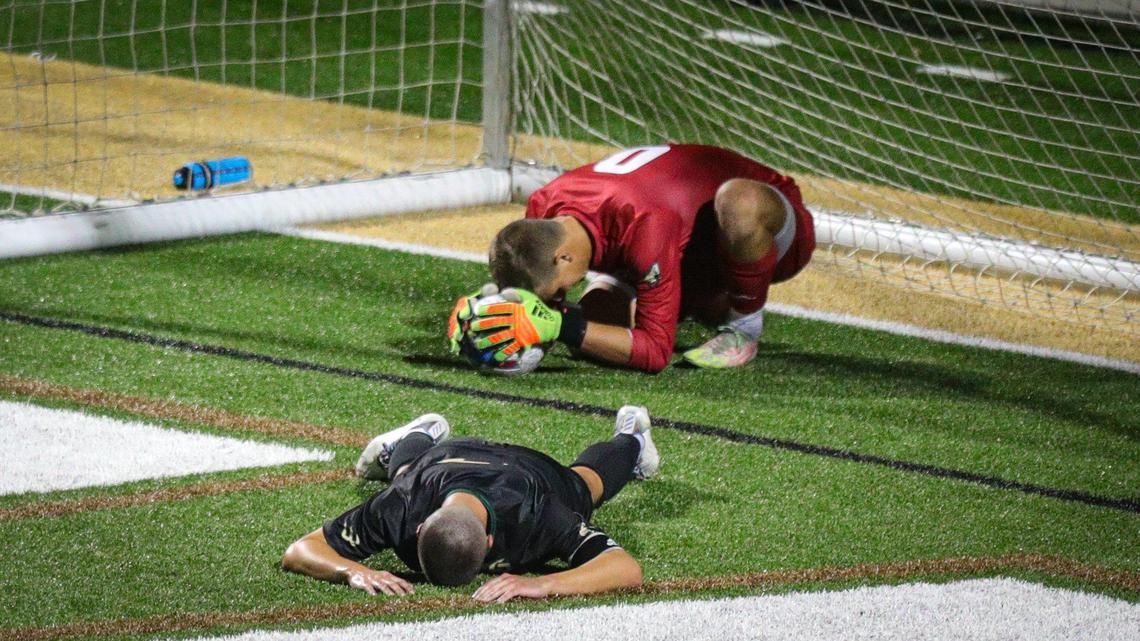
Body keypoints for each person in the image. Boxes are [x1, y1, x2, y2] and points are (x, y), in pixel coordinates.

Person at [456, 143, 815, 373]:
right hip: (687, 243)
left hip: (769, 225)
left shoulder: (646, 225)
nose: (559, 296)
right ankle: (705, 302)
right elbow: (545, 299)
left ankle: (743, 326)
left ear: (564, 257)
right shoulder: (542, 207)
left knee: (740, 202)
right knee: (597, 316)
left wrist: (561, 325)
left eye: (557, 289)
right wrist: (491, 318)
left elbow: (657, 353)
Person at [281, 406, 659, 603]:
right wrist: (353, 572)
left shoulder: (540, 512)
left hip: (528, 472)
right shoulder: (404, 504)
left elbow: (625, 569)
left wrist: (544, 584)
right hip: (446, 459)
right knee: (406, 475)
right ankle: (420, 433)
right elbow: (299, 551)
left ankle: (634, 438)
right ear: (418, 525)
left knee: (585, 485)